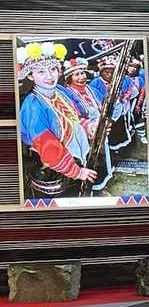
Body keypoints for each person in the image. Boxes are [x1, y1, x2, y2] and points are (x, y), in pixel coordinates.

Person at [17, 41, 98, 194]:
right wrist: (76, 171)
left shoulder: (59, 90)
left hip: (77, 160)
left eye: (53, 69)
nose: (49, 76)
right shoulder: (33, 106)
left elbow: (73, 119)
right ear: (30, 76)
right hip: (54, 170)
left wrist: (89, 127)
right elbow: (47, 145)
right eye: (41, 72)